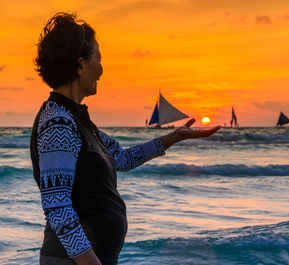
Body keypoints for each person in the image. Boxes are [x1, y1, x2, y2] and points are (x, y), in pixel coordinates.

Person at [30, 12, 220, 265]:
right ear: (79, 64)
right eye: (98, 58)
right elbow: (57, 205)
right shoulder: (58, 123)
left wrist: (173, 137)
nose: (101, 68)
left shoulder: (76, 119)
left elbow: (122, 158)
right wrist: (89, 261)